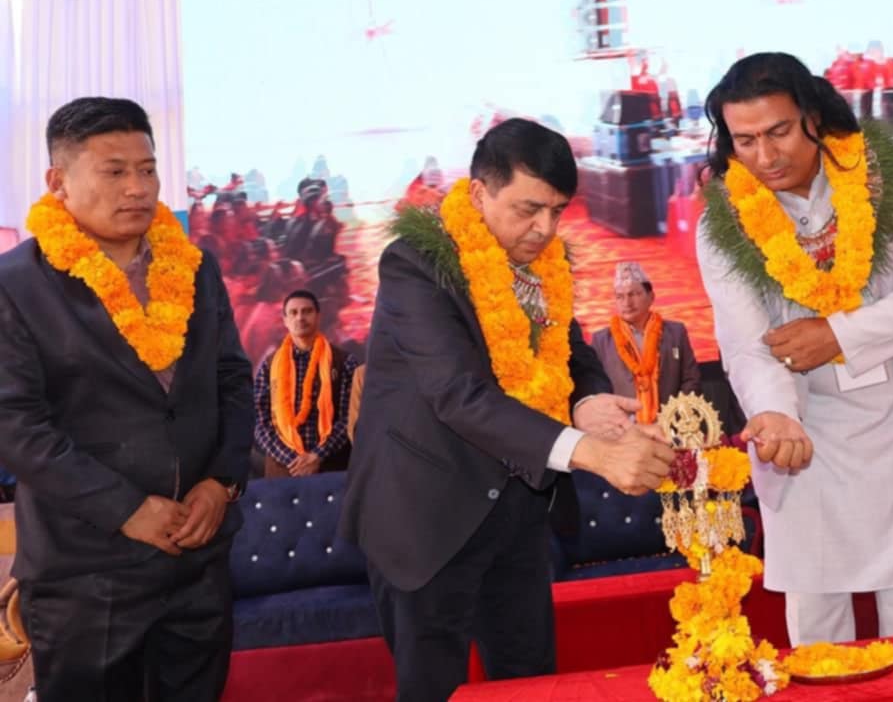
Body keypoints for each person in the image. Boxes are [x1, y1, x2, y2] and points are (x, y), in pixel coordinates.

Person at [340, 119, 676, 702]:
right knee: (434, 691)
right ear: (479, 194)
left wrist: (587, 401)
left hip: (519, 516)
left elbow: (571, 353)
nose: (545, 228)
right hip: (427, 518)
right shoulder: (413, 264)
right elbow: (459, 394)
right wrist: (592, 453)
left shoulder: (543, 266)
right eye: (529, 209)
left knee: (530, 684)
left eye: (557, 211)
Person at [696, 52, 893, 646]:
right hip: (803, 441)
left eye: (779, 132)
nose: (765, 156)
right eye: (745, 140)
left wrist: (839, 335)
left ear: (814, 117)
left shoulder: (888, 171)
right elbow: (745, 344)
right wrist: (774, 414)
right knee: (819, 638)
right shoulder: (723, 220)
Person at [0, 97, 254, 700]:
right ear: (58, 182)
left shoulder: (195, 267)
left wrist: (221, 483)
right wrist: (127, 509)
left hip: (197, 561)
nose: (138, 187)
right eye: (114, 171)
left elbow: (232, 381)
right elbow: (14, 424)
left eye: (147, 169)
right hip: (87, 574)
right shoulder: (16, 286)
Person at [253, 289, 358, 478]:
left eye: (307, 311)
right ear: (285, 320)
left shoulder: (344, 362)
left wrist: (317, 456)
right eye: (293, 312)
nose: (300, 317)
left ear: (318, 316)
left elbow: (348, 419)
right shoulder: (269, 365)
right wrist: (295, 460)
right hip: (283, 471)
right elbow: (260, 422)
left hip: (332, 469)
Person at [590, 262, 700, 425]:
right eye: (620, 297)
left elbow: (691, 380)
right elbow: (597, 389)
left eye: (634, 294)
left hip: (671, 426)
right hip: (624, 430)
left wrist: (674, 418)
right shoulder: (601, 341)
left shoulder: (676, 333)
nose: (627, 302)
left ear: (651, 297)